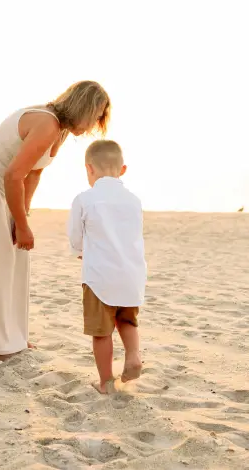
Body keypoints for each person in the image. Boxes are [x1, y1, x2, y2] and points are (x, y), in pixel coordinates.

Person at [0, 81, 111, 361]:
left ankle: (10, 335)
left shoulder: (60, 131)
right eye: (96, 115)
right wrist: (23, 225)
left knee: (15, 257)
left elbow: (34, 174)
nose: (94, 124)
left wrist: (23, 217)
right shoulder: (47, 123)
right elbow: (13, 175)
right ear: (83, 108)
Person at [67, 139, 146, 394]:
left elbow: (75, 236)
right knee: (127, 321)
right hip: (131, 274)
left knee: (101, 332)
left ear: (89, 169)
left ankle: (106, 382)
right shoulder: (133, 200)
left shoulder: (84, 199)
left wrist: (80, 253)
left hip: (99, 277)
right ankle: (133, 356)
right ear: (122, 169)